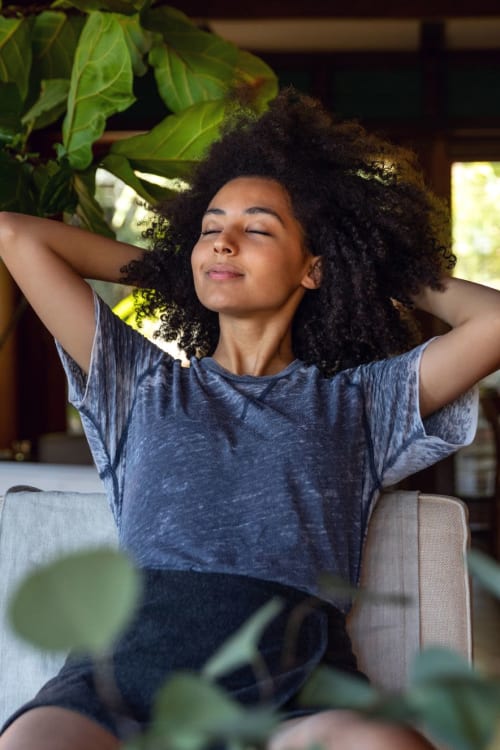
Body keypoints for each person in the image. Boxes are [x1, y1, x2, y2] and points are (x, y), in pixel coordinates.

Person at [0, 89, 499, 750]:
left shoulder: (362, 403)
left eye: (257, 229)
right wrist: (183, 273)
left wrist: (372, 267)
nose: (223, 243)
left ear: (313, 266)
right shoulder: (139, 383)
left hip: (291, 689)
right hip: (119, 681)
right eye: (209, 229)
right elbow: (15, 234)